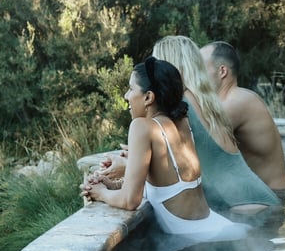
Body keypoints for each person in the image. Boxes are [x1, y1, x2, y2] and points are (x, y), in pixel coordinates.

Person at [81, 56, 245, 238]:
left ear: (148, 97)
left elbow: (130, 201)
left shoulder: (142, 127)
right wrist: (113, 184)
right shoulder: (182, 122)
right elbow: (164, 180)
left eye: (130, 89)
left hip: (200, 239)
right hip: (221, 228)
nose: (126, 96)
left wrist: (101, 193)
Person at [151, 35, 280, 211]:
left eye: (157, 64)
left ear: (169, 66)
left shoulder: (182, 105)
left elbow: (171, 167)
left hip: (247, 208)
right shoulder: (203, 100)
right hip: (259, 202)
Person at [200, 41, 285, 198]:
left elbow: (198, 142)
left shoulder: (238, 101)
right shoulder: (234, 99)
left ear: (222, 71)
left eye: (200, 68)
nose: (196, 75)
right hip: (262, 196)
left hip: (271, 200)